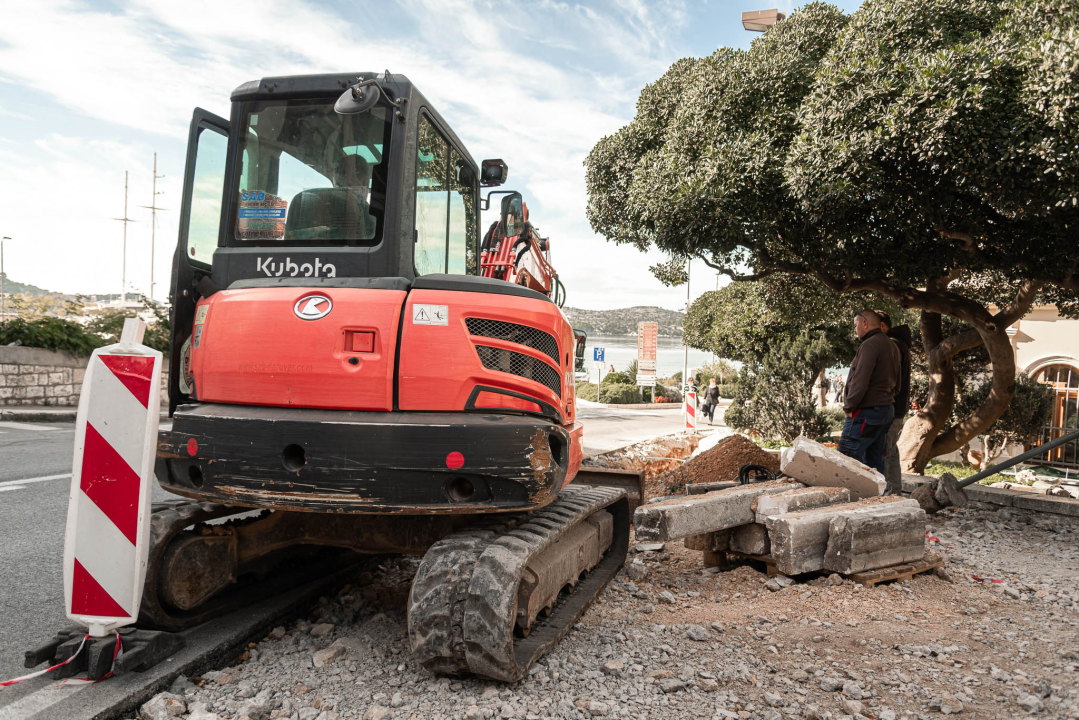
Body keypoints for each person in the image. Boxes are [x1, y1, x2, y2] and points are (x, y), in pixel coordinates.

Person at [838, 310, 900, 474]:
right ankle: (875, 498)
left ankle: (846, 498)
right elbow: (898, 384)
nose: (855, 329)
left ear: (865, 323)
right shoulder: (892, 345)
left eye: (856, 325)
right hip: (885, 409)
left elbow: (860, 381)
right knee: (874, 464)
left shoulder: (870, 345)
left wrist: (849, 407)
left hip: (866, 412)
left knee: (844, 461)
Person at [876, 310, 913, 494]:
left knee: (886, 452)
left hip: (891, 408)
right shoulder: (898, 344)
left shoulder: (893, 346)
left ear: (883, 326)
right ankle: (894, 493)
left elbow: (888, 380)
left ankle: (890, 495)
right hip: (895, 408)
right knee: (890, 451)